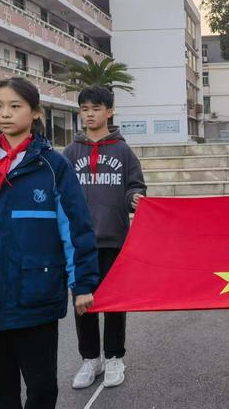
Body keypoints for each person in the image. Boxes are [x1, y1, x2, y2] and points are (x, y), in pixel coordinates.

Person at [0, 77, 99, 409]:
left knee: (41, 389)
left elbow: (75, 229)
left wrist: (82, 283)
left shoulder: (53, 166)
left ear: (35, 112)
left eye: (15, 106)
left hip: (35, 296)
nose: (4, 114)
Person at [63, 85, 147, 390]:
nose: (89, 114)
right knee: (83, 305)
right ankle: (90, 359)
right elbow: (60, 193)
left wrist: (135, 198)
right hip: (79, 244)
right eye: (84, 109)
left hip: (114, 239)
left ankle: (114, 357)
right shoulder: (71, 153)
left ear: (109, 112)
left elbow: (134, 186)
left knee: (114, 303)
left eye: (95, 108)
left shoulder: (123, 151)